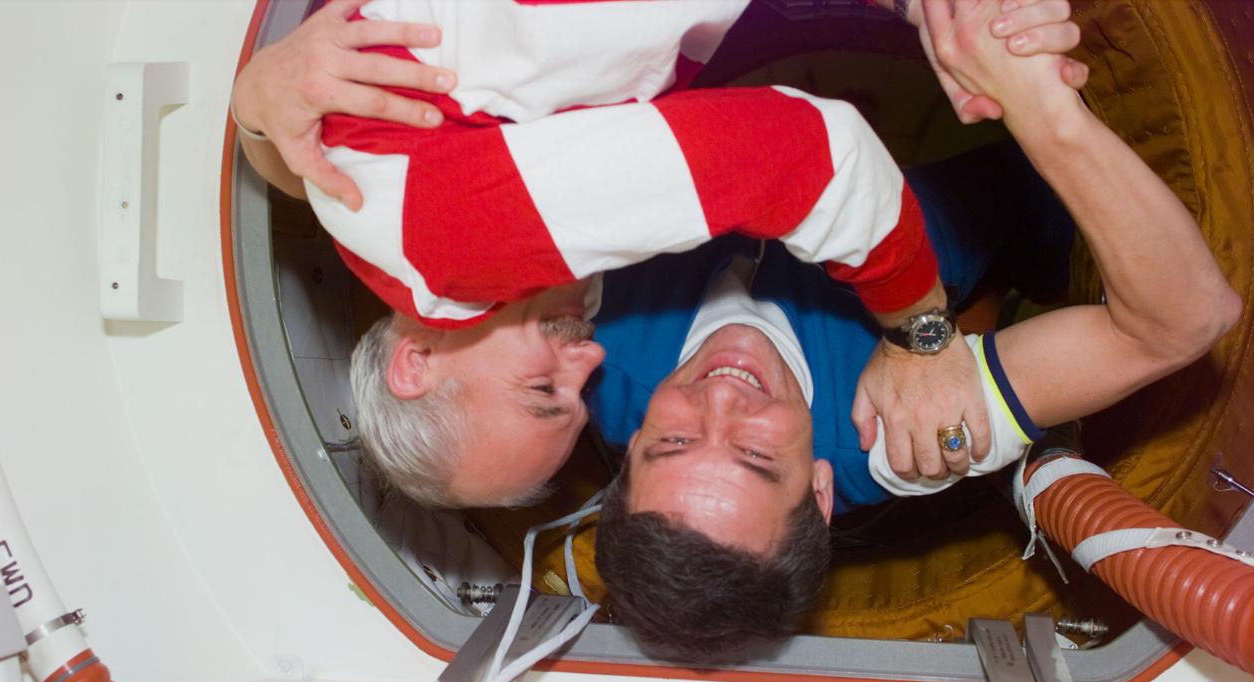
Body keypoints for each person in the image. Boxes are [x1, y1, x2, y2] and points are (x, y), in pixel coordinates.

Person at [231, 0, 1088, 508]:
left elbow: (807, 158)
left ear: (416, 358)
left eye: (542, 390)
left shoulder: (449, 247)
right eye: (579, 398)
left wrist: (921, 333)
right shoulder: (376, 212)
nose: (590, 360)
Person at [591, 0, 1242, 662]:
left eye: (672, 440)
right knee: (1025, 222)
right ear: (821, 490)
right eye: (756, 455)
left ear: (634, 438)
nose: (722, 402)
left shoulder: (581, 348)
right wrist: (1046, 113)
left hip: (739, 90)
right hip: (987, 185)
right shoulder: (888, 441)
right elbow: (1186, 320)